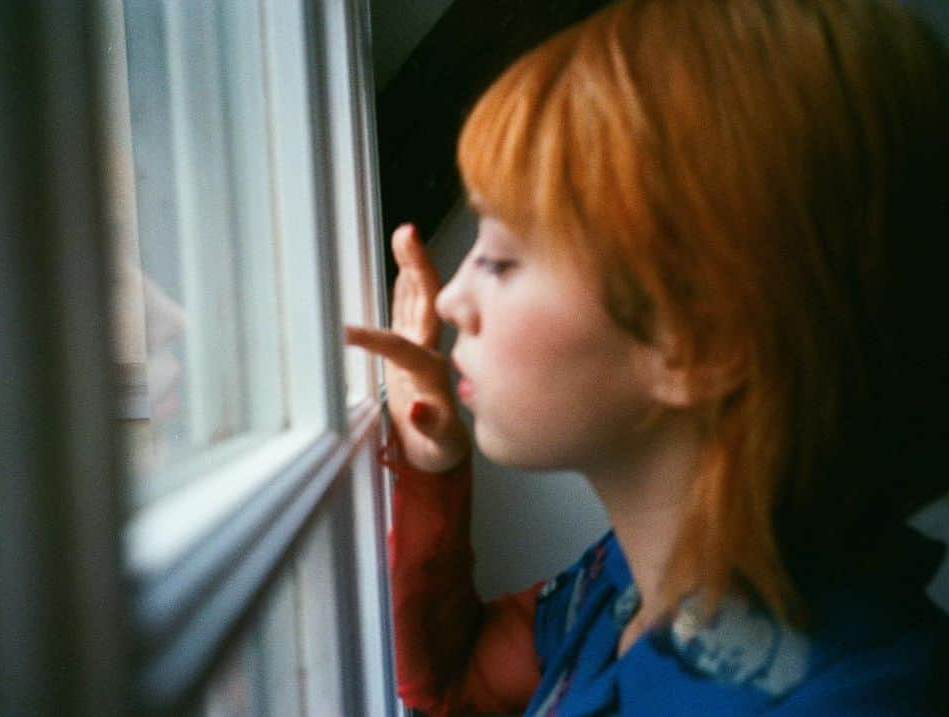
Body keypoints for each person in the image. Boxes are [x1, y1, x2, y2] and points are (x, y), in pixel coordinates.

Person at [346, 0, 949, 714]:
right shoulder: (635, 576)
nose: (449, 302)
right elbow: (456, 686)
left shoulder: (856, 702)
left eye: (502, 259)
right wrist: (430, 459)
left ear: (702, 338)